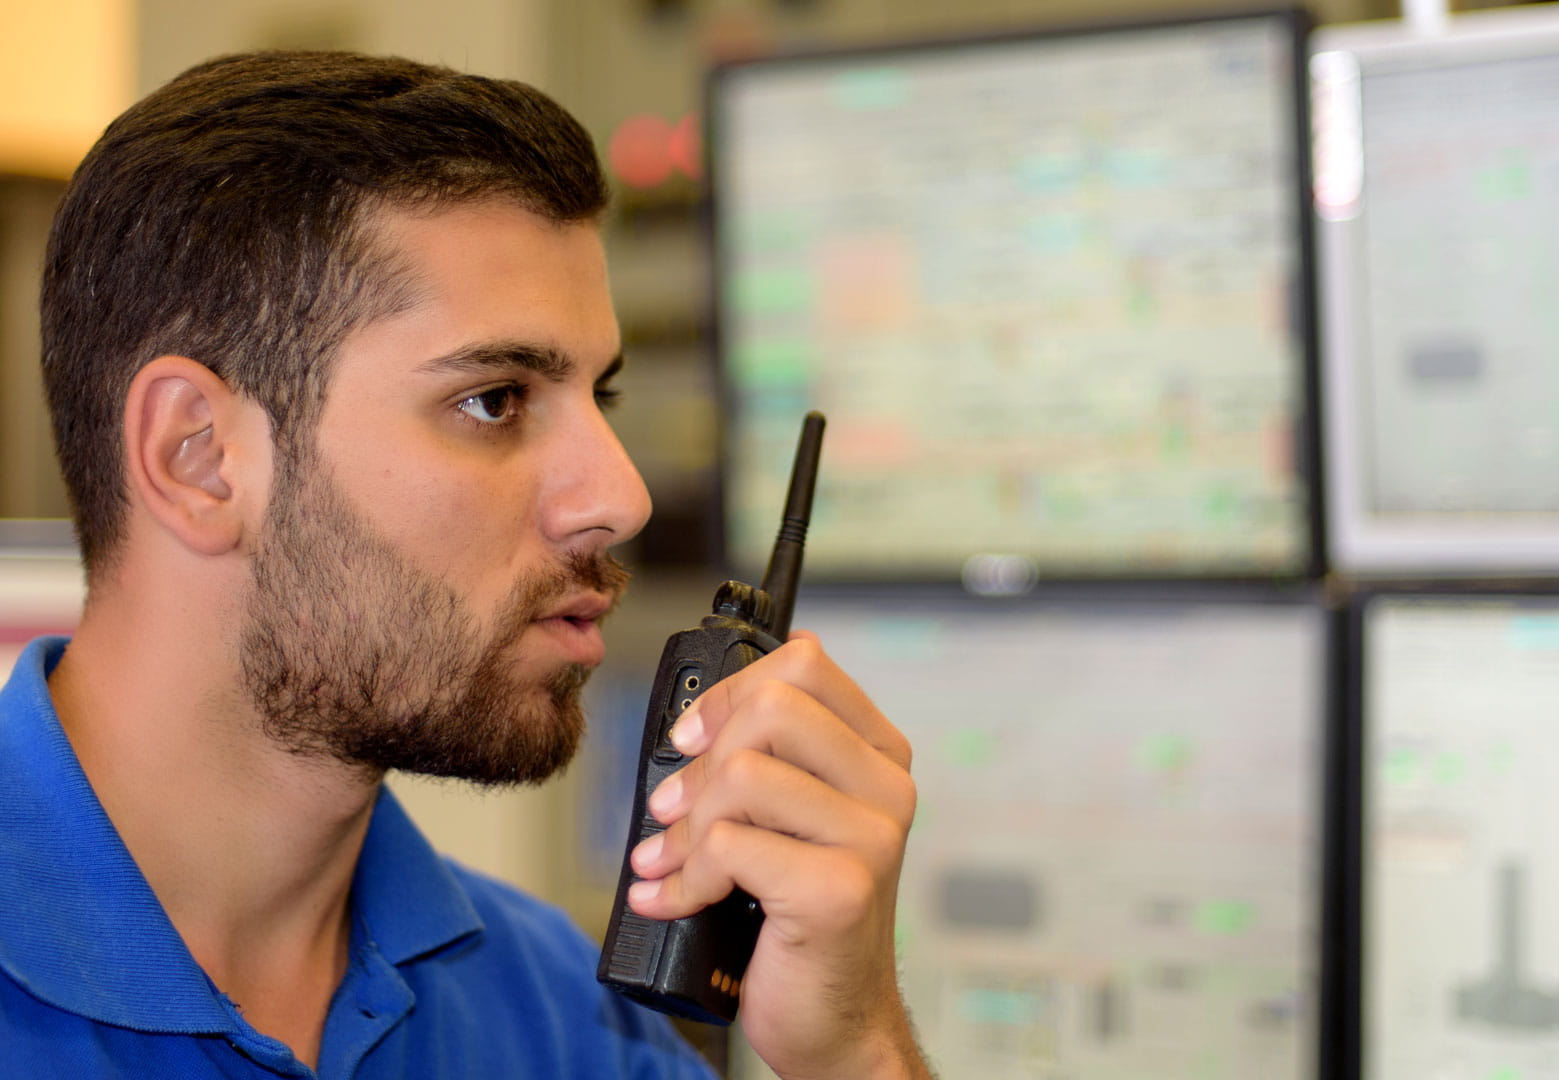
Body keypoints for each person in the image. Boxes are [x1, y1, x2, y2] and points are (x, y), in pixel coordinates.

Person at [0, 50, 928, 1079]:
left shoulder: (560, 1020)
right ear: (199, 458)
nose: (620, 498)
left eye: (600, 399)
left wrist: (854, 1051)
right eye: (495, 399)